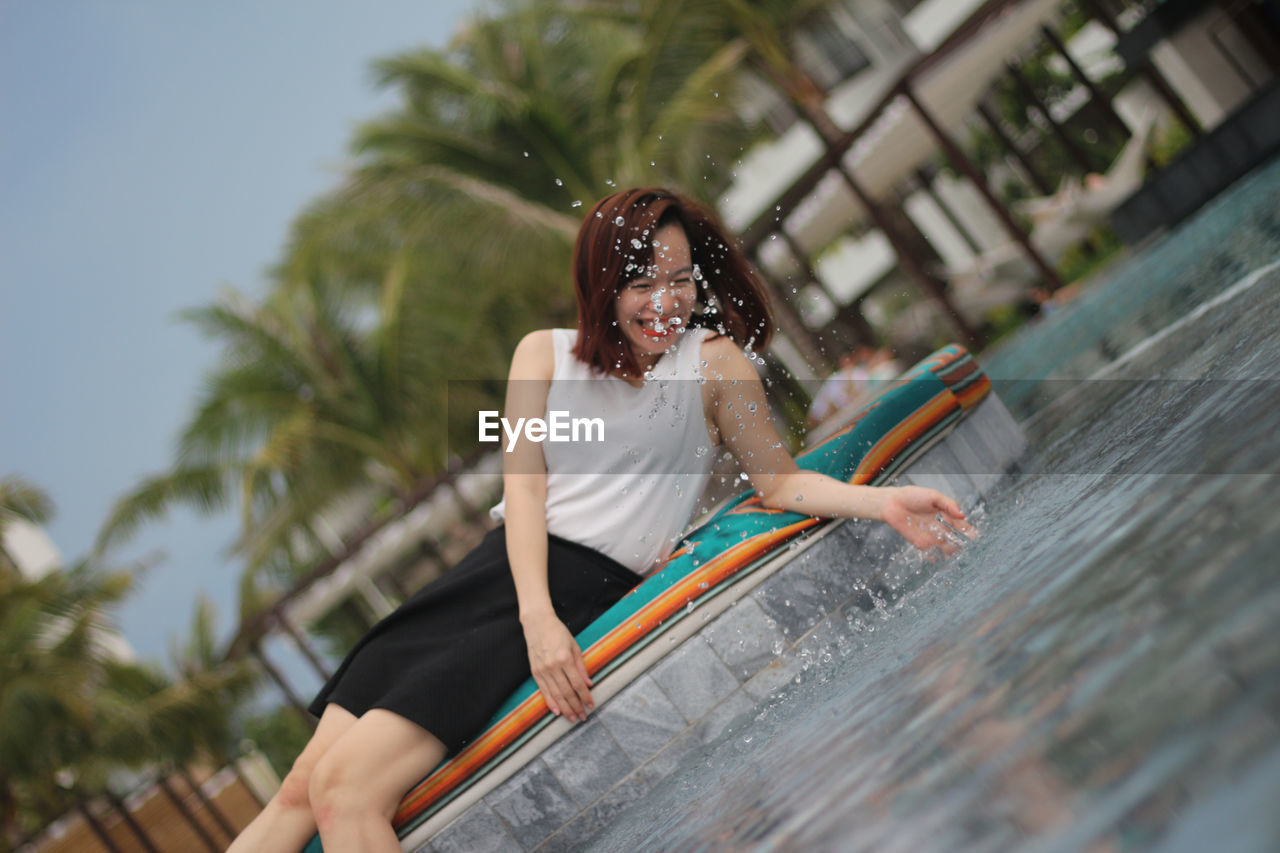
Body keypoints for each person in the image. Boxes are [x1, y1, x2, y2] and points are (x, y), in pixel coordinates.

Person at [227, 187, 976, 852]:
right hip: (496, 583)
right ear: (603, 283)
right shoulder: (544, 356)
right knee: (299, 788)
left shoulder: (714, 366)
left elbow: (779, 482)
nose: (666, 300)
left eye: (681, 279)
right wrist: (535, 619)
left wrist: (881, 500)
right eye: (643, 281)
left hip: (583, 585)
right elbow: (523, 493)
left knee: (345, 793)